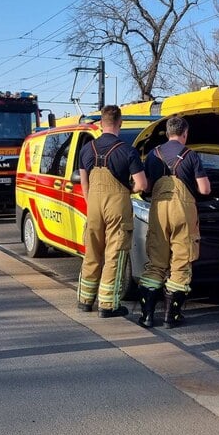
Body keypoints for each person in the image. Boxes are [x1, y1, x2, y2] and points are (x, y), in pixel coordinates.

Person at [137, 116, 210, 329]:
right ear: (184, 133)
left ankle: (147, 316)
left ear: (167, 133)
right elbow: (205, 189)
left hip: (159, 210)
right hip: (183, 211)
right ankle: (171, 316)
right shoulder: (191, 155)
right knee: (181, 261)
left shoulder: (153, 154)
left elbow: (147, 187)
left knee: (156, 261)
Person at [77, 105, 148, 318]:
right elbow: (141, 184)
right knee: (114, 253)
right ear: (120, 123)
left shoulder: (86, 149)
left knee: (93, 252)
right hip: (117, 204)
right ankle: (108, 305)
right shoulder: (127, 151)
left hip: (94, 204)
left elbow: (84, 182)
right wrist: (129, 189)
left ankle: (85, 299)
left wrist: (92, 205)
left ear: (100, 123)